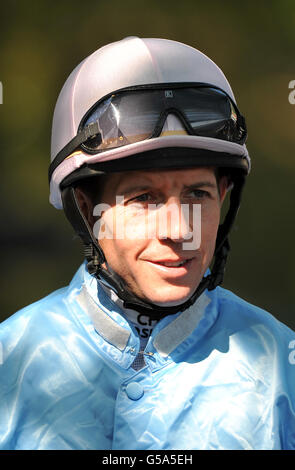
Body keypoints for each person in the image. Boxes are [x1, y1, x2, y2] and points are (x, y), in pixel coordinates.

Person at [1, 37, 295, 451]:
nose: (178, 230)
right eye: (144, 198)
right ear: (88, 210)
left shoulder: (282, 368)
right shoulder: (8, 362)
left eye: (197, 194)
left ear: (223, 197)